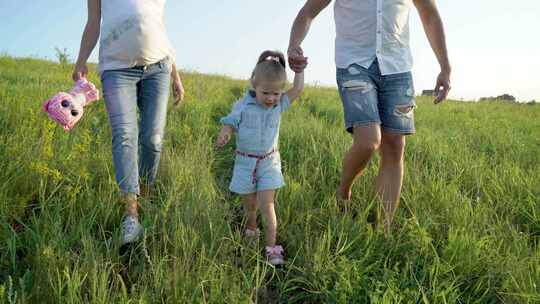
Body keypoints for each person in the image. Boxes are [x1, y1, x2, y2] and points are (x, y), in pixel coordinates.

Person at [288, 0, 451, 234]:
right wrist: (294, 44)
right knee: (368, 141)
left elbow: (430, 15)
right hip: (354, 63)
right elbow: (308, 12)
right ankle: (343, 191)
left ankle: (383, 230)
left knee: (395, 145)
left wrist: (445, 66)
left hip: (397, 67)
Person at [72, 0, 185, 245]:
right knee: (124, 135)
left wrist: (175, 74)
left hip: (159, 68)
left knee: (153, 139)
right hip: (116, 69)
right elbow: (93, 23)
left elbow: (160, 26)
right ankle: (131, 215)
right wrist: (81, 59)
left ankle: (145, 194)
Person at [216, 50, 304, 265]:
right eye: (266, 93)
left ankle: (272, 248)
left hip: (269, 162)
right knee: (250, 206)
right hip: (245, 163)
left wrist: (299, 70)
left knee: (267, 204)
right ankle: (251, 228)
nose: (271, 98)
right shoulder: (243, 106)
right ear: (254, 84)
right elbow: (230, 122)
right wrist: (225, 132)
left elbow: (298, 89)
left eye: (276, 93)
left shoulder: (279, 104)